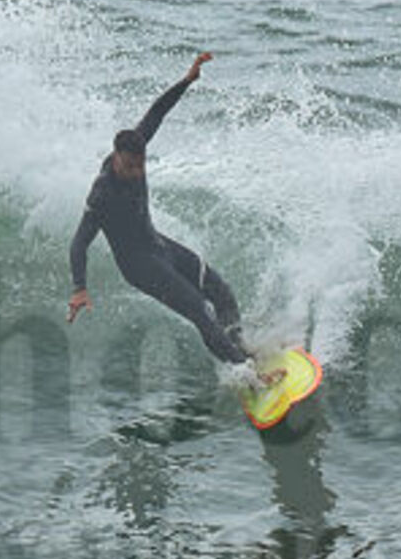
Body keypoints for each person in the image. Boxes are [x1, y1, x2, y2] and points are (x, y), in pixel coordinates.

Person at [66, 53, 275, 383]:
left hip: (159, 246)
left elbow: (157, 111)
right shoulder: (102, 192)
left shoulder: (136, 145)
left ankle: (238, 348)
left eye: (141, 165)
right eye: (130, 166)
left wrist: (187, 80)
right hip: (139, 267)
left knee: (221, 291)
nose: (137, 172)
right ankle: (248, 375)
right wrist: (79, 288)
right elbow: (79, 242)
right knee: (200, 312)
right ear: (116, 158)